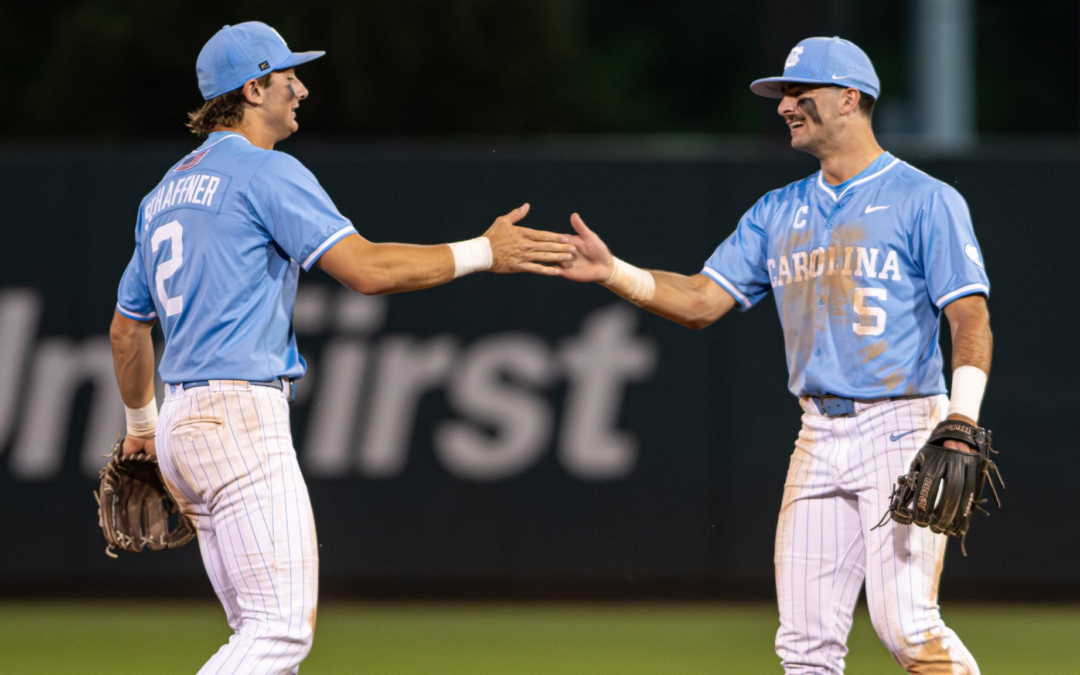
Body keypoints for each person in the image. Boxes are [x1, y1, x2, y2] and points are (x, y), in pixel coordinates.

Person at [109, 21, 574, 674]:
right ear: (253, 89)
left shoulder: (161, 196)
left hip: (181, 422)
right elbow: (366, 270)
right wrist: (482, 251)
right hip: (238, 417)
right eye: (288, 75)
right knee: (279, 634)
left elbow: (127, 328)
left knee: (261, 641)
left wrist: (142, 429)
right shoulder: (265, 172)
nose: (300, 88)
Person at [556, 37, 991, 674]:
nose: (785, 105)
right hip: (818, 432)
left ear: (850, 98)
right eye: (783, 94)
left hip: (902, 425)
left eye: (799, 92)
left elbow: (969, 316)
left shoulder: (925, 199)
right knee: (804, 646)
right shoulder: (777, 210)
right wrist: (613, 272)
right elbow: (701, 301)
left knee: (907, 626)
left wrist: (961, 419)